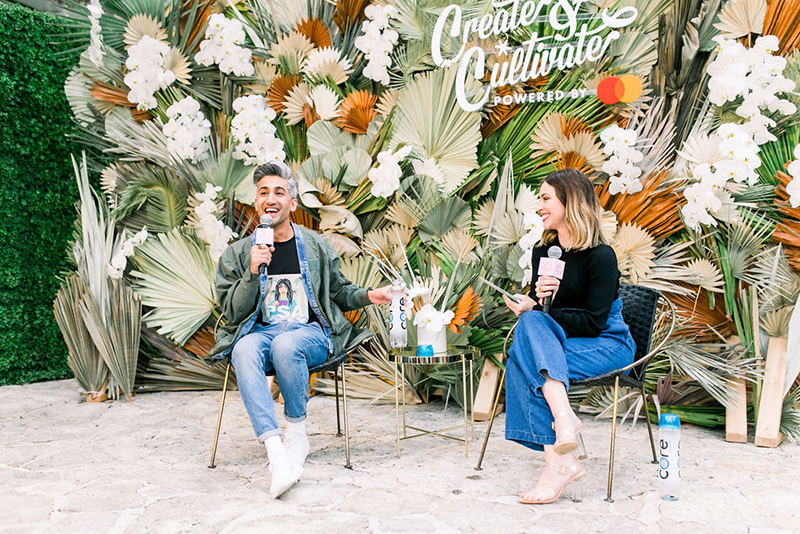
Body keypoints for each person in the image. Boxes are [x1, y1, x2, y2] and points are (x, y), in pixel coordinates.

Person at [208, 161, 392, 499]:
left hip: (310, 333)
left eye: (279, 191)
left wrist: (370, 295)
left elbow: (338, 291)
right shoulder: (238, 254)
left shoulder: (316, 246)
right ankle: (276, 450)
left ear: (292, 203)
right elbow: (232, 312)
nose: (271, 198)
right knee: (244, 348)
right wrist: (252, 271)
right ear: (257, 203)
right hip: (262, 332)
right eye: (264, 192)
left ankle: (296, 430)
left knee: (287, 344)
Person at [502, 168, 635, 505]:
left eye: (546, 199)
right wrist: (537, 302)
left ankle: (558, 459)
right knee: (530, 327)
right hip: (561, 342)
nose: (540, 206)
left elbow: (593, 323)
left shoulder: (601, 256)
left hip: (607, 343)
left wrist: (543, 311)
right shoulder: (543, 251)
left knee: (523, 358)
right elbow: (543, 320)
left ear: (570, 202)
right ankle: (562, 438)